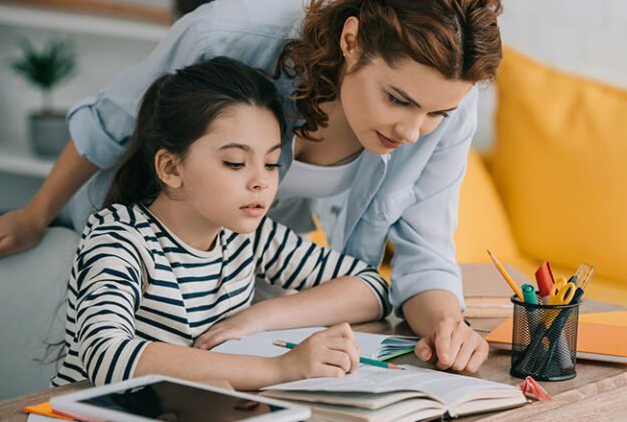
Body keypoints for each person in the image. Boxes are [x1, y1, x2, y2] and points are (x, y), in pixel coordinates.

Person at [0, 0, 503, 374]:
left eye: (437, 113)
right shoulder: (235, 32)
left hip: (225, 291)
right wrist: (35, 213)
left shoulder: (251, 230)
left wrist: (446, 327)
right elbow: (112, 124)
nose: (412, 132)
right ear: (352, 40)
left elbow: (412, 257)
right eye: (398, 99)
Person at [51, 57, 390, 390]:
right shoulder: (119, 237)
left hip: (185, 420)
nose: (261, 182)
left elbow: (372, 287)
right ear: (170, 168)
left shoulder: (248, 235)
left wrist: (258, 317)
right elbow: (106, 356)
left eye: (271, 163)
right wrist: (280, 369)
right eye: (235, 163)